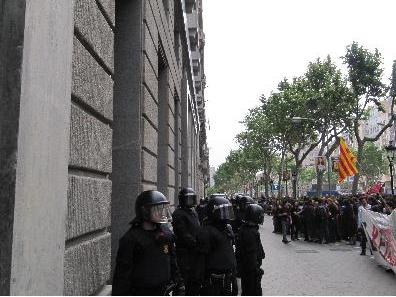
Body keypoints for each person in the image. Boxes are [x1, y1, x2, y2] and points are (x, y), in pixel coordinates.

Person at [112, 190, 183, 296]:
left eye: (163, 208)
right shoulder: (131, 239)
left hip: (164, 291)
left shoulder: (166, 234)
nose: (162, 212)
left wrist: (179, 286)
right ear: (145, 211)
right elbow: (122, 276)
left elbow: (172, 262)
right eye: (157, 209)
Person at [195, 196, 238, 295]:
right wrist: (201, 281)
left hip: (228, 276)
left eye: (227, 211)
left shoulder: (226, 229)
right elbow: (201, 259)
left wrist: (234, 277)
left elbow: (229, 251)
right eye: (222, 212)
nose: (225, 215)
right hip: (214, 279)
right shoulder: (206, 231)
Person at [172, 187, 201, 295]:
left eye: (192, 199)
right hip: (184, 253)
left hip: (194, 252)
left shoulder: (193, 211)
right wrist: (196, 243)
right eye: (188, 199)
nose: (191, 201)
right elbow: (183, 234)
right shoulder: (178, 213)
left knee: (194, 280)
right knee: (185, 280)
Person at [238, 204, 265, 296]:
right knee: (252, 291)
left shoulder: (247, 229)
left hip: (248, 269)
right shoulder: (250, 232)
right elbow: (251, 253)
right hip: (250, 270)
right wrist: (255, 269)